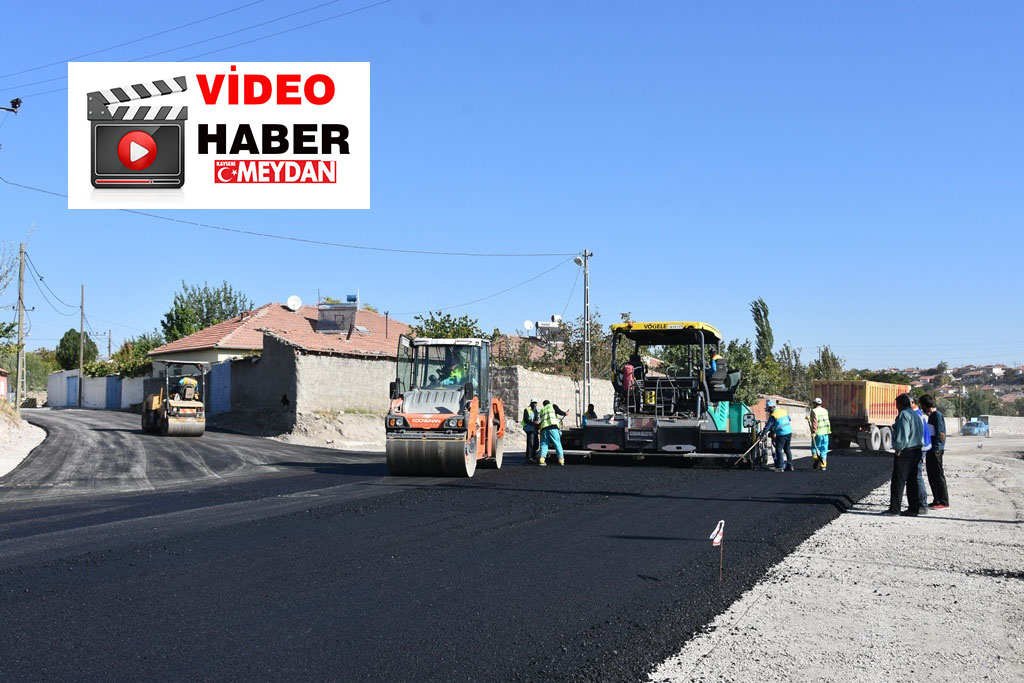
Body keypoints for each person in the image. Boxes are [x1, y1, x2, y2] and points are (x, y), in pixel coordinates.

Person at [882, 393, 925, 516]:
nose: (896, 407)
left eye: (897, 404)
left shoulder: (903, 415)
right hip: (917, 450)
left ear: (900, 404)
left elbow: (902, 437)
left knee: (898, 481)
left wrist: (898, 450)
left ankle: (894, 509)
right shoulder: (916, 415)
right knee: (912, 481)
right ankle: (914, 509)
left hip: (906, 452)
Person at [919, 394, 950, 509]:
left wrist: (937, 449)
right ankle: (936, 499)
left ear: (924, 405)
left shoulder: (937, 415)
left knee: (938, 476)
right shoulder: (931, 416)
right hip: (931, 449)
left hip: (936, 450)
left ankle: (943, 501)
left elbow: (941, 434)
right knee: (932, 475)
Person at [759, 398, 794, 471]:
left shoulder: (773, 415)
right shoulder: (783, 411)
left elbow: (767, 426)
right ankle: (790, 466)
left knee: (778, 449)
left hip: (781, 433)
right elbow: (789, 419)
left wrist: (762, 435)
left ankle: (780, 467)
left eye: (768, 410)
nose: (768, 412)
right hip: (789, 432)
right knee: (787, 449)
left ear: (771, 408)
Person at [911, 396, 930, 515]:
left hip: (920, 448)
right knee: (916, 477)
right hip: (923, 447)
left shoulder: (917, 416)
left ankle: (923, 505)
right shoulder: (920, 414)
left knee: (917, 477)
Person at [537, 399, 567, 467]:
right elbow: (559, 412)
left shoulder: (542, 410)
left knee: (544, 444)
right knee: (557, 443)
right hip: (553, 428)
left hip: (544, 429)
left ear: (544, 405)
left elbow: (539, 420)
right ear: (549, 403)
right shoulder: (552, 406)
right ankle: (561, 460)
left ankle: (542, 460)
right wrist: (565, 413)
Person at [809, 397, 831, 471]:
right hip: (826, 432)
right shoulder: (825, 411)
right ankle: (823, 465)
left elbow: (815, 422)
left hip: (818, 433)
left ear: (815, 404)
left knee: (814, 447)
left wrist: (814, 432)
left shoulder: (814, 411)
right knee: (824, 449)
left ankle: (816, 458)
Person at [522, 398, 541, 463]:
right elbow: (526, 419)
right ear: (531, 403)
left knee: (536, 444)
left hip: (535, 429)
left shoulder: (537, 411)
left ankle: (533, 456)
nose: (535, 404)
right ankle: (529, 457)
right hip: (529, 429)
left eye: (536, 403)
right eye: (533, 403)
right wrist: (533, 423)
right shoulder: (527, 410)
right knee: (530, 444)